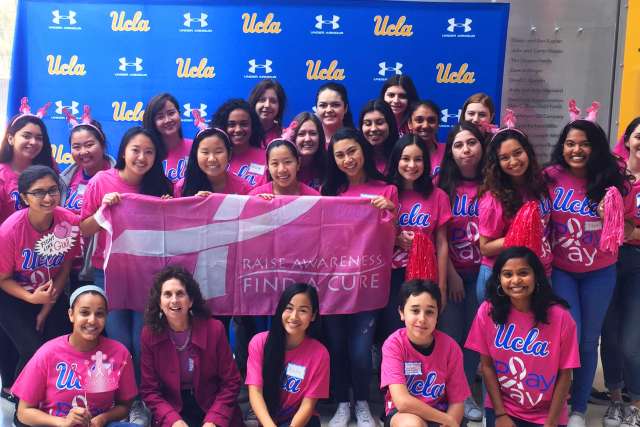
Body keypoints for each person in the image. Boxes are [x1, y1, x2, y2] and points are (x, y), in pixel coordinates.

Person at [544, 116, 632, 427]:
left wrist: (615, 216)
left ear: (595, 148)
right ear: (562, 147)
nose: (576, 149)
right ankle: (559, 402)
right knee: (569, 335)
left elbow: (632, 226)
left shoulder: (612, 179)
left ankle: (579, 408)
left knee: (587, 340)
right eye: (570, 143)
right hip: (563, 270)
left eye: (584, 144)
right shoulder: (550, 177)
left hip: (600, 271)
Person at [80, 126, 172, 394]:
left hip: (148, 275)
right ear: (123, 151)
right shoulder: (101, 181)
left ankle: (145, 399)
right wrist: (102, 211)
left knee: (142, 341)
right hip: (108, 273)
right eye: (136, 150)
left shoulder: (161, 186)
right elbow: (84, 228)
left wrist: (167, 210)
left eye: (149, 152)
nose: (141, 157)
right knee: (119, 342)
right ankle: (123, 399)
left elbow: (172, 233)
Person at [321, 127, 397, 427]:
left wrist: (390, 211)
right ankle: (342, 403)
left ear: (363, 151)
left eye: (352, 151)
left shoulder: (386, 190)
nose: (347, 159)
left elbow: (393, 239)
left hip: (368, 284)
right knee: (337, 348)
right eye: (339, 155)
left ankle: (363, 403)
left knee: (361, 350)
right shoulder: (328, 193)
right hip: (333, 286)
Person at [465, 246, 580, 427]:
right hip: (504, 408)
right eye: (508, 274)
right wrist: (500, 414)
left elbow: (565, 375)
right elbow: (486, 367)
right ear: (499, 280)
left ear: (536, 276)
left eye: (523, 273)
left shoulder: (560, 317)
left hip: (547, 413)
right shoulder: (488, 311)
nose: (516, 280)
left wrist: (551, 423)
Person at [11, 285, 138, 427]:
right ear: (71, 315)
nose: (92, 320)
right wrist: (63, 423)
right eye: (84, 313)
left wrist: (104, 418)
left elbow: (124, 407)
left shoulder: (119, 353)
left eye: (99, 314)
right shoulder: (47, 353)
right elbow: (23, 412)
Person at [0, 165, 78, 380]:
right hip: (12, 295)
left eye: (53, 190)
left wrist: (46, 307)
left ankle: (52, 398)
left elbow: (65, 267)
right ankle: (22, 407)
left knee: (60, 346)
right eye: (38, 192)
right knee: (32, 350)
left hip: (50, 294)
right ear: (25, 198)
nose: (48, 197)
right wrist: (31, 298)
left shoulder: (68, 221)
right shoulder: (10, 231)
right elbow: (3, 279)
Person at [141, 266, 242, 427]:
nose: (174, 300)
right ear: (159, 303)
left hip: (212, 403)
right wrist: (172, 420)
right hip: (173, 408)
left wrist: (214, 419)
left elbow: (232, 382)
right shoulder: (149, 334)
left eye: (180, 293)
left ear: (191, 301)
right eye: (167, 294)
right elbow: (150, 390)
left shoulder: (215, 329)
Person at [437, 122, 486, 421]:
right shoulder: (443, 186)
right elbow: (436, 234)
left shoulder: (494, 183)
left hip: (484, 273)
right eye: (458, 145)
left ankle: (467, 394)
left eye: (471, 143)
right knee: (452, 335)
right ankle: (447, 392)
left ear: (482, 146)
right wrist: (452, 274)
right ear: (450, 152)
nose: (466, 150)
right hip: (453, 272)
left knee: (474, 337)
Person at [381, 134, 451, 341]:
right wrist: (394, 238)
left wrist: (442, 286)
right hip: (391, 275)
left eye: (418, 159)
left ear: (426, 163)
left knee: (422, 332)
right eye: (405, 159)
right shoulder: (386, 192)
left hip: (425, 274)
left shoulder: (438, 196)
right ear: (396, 161)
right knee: (393, 332)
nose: (412, 165)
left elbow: (442, 242)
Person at [381, 279, 469, 427]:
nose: (422, 319)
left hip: (442, 412)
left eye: (429, 312)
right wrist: (447, 420)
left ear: (437, 315)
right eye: (415, 310)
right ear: (401, 313)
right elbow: (402, 402)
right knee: (412, 424)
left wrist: (450, 422)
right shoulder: (394, 344)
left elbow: (457, 401)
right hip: (404, 413)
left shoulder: (451, 347)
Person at [477, 127, 551, 302]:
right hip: (503, 277)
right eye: (504, 158)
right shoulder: (492, 199)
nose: (514, 161)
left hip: (541, 271)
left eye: (518, 153)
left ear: (528, 152)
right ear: (497, 163)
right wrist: (519, 234)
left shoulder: (541, 184)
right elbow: (485, 247)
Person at [600, 116, 640, 427]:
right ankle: (614, 398)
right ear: (627, 140)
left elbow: (622, 227)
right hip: (606, 259)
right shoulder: (612, 173)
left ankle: (636, 402)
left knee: (631, 339)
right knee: (609, 335)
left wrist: (625, 230)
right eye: (639, 135)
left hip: (637, 263)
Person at [246, 283, 329, 427]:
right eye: (289, 308)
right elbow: (255, 392)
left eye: (303, 310)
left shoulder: (320, 354)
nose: (294, 316)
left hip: (301, 421)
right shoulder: (259, 343)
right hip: (267, 420)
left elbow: (308, 405)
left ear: (313, 315)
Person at [60, 109, 115, 289]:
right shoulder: (63, 181)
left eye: (89, 144)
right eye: (76, 147)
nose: (83, 151)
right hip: (65, 265)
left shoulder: (118, 178)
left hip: (101, 268)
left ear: (102, 144)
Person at [0, 98, 55, 224]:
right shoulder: (2, 176)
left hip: (46, 240)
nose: (33, 142)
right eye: (26, 136)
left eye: (39, 138)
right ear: (10, 138)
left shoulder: (49, 166)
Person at [177, 127, 250, 197]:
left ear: (229, 154)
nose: (212, 159)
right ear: (196, 154)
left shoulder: (242, 187)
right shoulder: (182, 187)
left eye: (218, 152)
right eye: (205, 152)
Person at [212, 99, 265, 188]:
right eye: (232, 125)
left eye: (244, 124)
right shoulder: (213, 158)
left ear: (253, 126)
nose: (238, 130)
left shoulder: (266, 158)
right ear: (223, 127)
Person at [142, 93, 192, 184]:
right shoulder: (148, 153)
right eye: (160, 117)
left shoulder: (195, 147)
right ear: (153, 122)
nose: (167, 120)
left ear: (179, 114)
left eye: (171, 113)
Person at [250, 139, 320, 197]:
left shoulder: (313, 197)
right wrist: (257, 205)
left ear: (298, 163)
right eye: (275, 163)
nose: (282, 170)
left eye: (287, 162)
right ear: (268, 166)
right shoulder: (255, 196)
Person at [359, 100, 399, 174]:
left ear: (390, 124)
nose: (373, 129)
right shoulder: (357, 157)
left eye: (380, 123)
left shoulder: (401, 154)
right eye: (368, 124)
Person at [407, 101, 445, 177]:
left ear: (438, 124)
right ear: (410, 124)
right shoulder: (399, 152)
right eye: (419, 120)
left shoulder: (448, 151)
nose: (425, 126)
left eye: (431, 120)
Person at [290, 112, 326, 190]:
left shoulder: (328, 166)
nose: (307, 139)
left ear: (320, 137)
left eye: (313, 133)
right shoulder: (283, 167)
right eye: (301, 134)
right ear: (293, 138)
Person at [249, 79, 286, 147]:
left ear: (280, 106)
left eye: (273, 101)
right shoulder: (245, 133)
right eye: (262, 100)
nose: (267, 105)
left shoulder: (284, 136)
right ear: (254, 103)